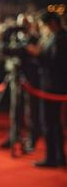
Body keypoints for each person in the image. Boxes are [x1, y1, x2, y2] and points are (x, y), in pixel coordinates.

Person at [27, 12, 67, 167]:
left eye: (45, 25)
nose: (44, 28)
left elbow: (56, 62)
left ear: (52, 23)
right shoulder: (56, 37)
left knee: (50, 122)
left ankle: (53, 158)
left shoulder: (60, 38)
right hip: (51, 86)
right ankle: (57, 157)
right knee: (54, 123)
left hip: (53, 87)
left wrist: (37, 53)